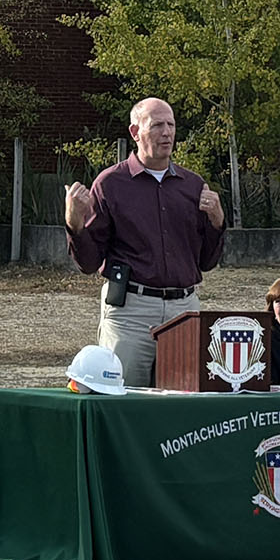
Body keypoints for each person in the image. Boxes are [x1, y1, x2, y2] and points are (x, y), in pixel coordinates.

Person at [63, 97, 225, 388]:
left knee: (185, 400)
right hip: (130, 313)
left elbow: (207, 262)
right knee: (122, 395)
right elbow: (89, 263)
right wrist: (74, 224)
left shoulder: (193, 186)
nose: (167, 133)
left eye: (172, 125)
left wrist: (217, 222)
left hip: (185, 310)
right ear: (135, 132)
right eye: (158, 125)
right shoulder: (110, 184)